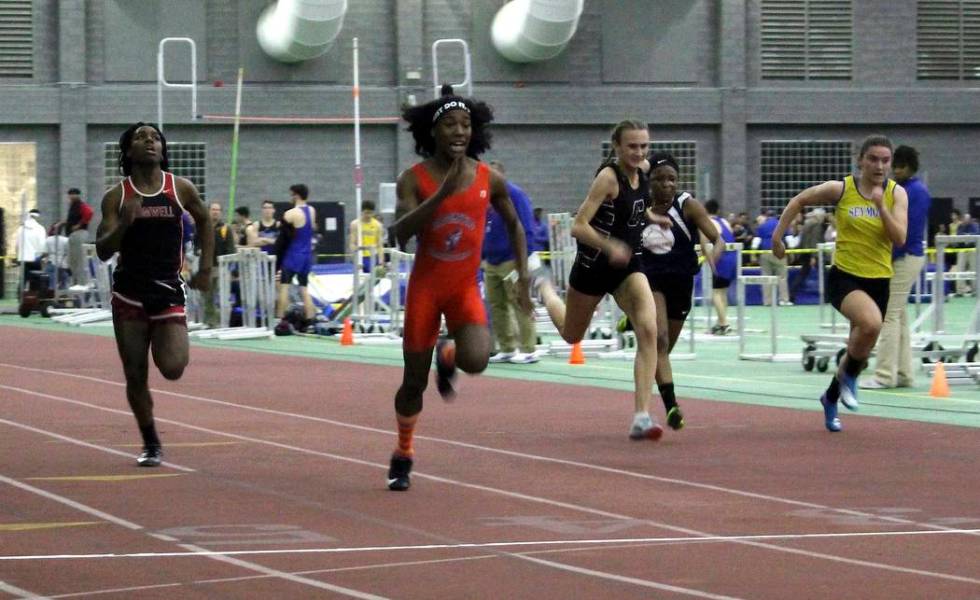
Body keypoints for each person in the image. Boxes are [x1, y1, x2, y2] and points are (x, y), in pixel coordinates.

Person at [386, 85, 531, 491]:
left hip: (464, 288)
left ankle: (447, 352)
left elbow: (516, 225)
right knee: (413, 383)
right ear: (433, 132)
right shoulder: (412, 179)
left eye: (466, 125)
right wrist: (442, 195)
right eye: (449, 124)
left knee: (477, 360)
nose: (459, 132)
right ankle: (403, 452)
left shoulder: (489, 178)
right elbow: (399, 234)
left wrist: (523, 276)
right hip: (426, 292)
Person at [535, 119, 668, 441]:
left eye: (643, 146)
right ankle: (543, 288)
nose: (639, 152)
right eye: (632, 146)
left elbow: (633, 210)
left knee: (649, 329)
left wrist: (652, 218)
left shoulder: (644, 171)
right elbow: (578, 226)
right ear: (618, 147)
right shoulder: (608, 178)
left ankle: (641, 416)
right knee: (571, 334)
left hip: (627, 265)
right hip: (594, 264)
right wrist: (610, 246)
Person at [95, 122, 213, 466]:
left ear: (162, 150)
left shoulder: (180, 188)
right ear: (128, 151)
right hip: (130, 295)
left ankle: (151, 432)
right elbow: (103, 250)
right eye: (141, 137)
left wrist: (206, 268)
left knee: (174, 367)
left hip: (167, 290)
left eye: (155, 138)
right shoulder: (116, 196)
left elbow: (205, 220)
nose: (150, 141)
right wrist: (124, 224)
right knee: (135, 374)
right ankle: (150, 442)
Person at [772, 135, 908, 432]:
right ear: (861, 160)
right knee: (870, 325)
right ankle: (849, 377)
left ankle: (831, 397)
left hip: (879, 280)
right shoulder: (842, 188)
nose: (879, 166)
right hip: (845, 277)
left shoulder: (896, 195)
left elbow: (899, 238)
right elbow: (799, 201)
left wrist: (881, 207)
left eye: (885, 160)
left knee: (859, 345)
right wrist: (777, 236)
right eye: (873, 159)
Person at [638, 153, 725, 430]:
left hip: (681, 281)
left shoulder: (687, 205)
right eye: (659, 179)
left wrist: (713, 255)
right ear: (648, 181)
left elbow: (717, 238)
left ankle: (636, 324)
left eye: (671, 179)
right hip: (650, 281)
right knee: (659, 339)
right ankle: (672, 406)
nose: (666, 185)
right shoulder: (639, 206)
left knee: (662, 349)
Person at [861, 145, 931, 389]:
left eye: (900, 166)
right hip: (902, 256)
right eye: (895, 166)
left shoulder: (915, 191)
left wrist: (887, 258)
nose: (896, 170)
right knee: (898, 317)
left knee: (887, 316)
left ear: (910, 167)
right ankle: (903, 374)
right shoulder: (903, 189)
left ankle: (883, 375)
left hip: (905, 256)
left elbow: (907, 231)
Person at [483, 160, 539, 364]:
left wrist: (523, 262)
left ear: (501, 176)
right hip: (491, 261)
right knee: (496, 305)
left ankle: (528, 348)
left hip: (512, 260)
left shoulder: (515, 194)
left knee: (519, 302)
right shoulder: (486, 198)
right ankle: (507, 347)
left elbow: (526, 227)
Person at [276, 184, 317, 321]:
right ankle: (311, 319)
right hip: (307, 255)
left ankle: (280, 319)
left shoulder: (290, 213)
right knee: (304, 289)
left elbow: (283, 238)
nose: (291, 198)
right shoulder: (312, 211)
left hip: (293, 255)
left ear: (296, 195)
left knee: (284, 287)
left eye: (292, 195)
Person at [703, 200, 737, 335]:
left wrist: (709, 259)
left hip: (722, 258)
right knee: (722, 292)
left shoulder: (709, 223)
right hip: (733, 258)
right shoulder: (725, 222)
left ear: (705, 210)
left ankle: (724, 323)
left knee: (716, 293)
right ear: (717, 210)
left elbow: (707, 242)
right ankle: (720, 321)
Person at [202, 201, 236, 327]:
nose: (215, 212)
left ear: (220, 212)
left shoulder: (226, 229)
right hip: (206, 267)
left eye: (218, 210)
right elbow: (196, 243)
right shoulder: (203, 226)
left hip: (221, 267)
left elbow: (231, 249)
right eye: (213, 209)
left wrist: (229, 267)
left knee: (222, 295)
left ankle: (222, 321)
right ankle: (210, 321)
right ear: (209, 211)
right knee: (207, 295)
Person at [56, 188, 94, 287]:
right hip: (73, 235)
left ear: (77, 195)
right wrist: (63, 223)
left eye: (72, 194)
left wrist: (79, 225)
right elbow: (72, 220)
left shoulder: (80, 205)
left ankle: (82, 283)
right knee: (73, 260)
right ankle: (76, 282)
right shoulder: (73, 206)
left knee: (79, 260)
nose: (70, 197)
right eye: (70, 195)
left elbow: (89, 213)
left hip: (79, 234)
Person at [788, 208, 826, 304]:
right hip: (813, 253)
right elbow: (815, 240)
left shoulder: (807, 223)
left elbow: (803, 240)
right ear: (819, 216)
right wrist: (814, 256)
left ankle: (791, 294)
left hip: (805, 253)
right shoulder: (816, 224)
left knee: (802, 274)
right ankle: (827, 296)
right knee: (824, 274)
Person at [755, 211, 792, 306]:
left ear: (766, 216)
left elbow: (755, 242)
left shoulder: (762, 226)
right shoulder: (782, 224)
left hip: (765, 252)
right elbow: (790, 240)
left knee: (766, 277)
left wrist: (754, 254)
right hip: (779, 252)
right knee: (782, 277)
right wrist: (791, 251)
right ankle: (784, 300)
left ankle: (767, 301)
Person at [348, 200, 386, 273]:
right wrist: (354, 258)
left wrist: (381, 262)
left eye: (371, 213)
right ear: (362, 212)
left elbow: (380, 245)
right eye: (366, 213)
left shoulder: (378, 225)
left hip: (374, 256)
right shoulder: (355, 224)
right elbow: (352, 243)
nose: (368, 215)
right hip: (360, 256)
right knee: (362, 280)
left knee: (375, 279)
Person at [14, 209, 47, 288]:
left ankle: (21, 299)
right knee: (35, 281)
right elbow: (42, 245)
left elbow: (17, 245)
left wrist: (17, 255)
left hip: (23, 258)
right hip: (35, 258)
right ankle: (33, 299)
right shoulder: (40, 228)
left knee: (22, 280)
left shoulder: (21, 229)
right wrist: (43, 256)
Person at [954, 213, 978, 296]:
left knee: (974, 270)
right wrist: (966, 236)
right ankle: (960, 291)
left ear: (970, 220)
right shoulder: (960, 226)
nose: (967, 221)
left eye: (968, 219)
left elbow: (977, 234)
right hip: (962, 250)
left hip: (973, 250)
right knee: (960, 270)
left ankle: (975, 291)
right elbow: (958, 235)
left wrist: (968, 236)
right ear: (963, 219)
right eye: (965, 219)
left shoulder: (974, 225)